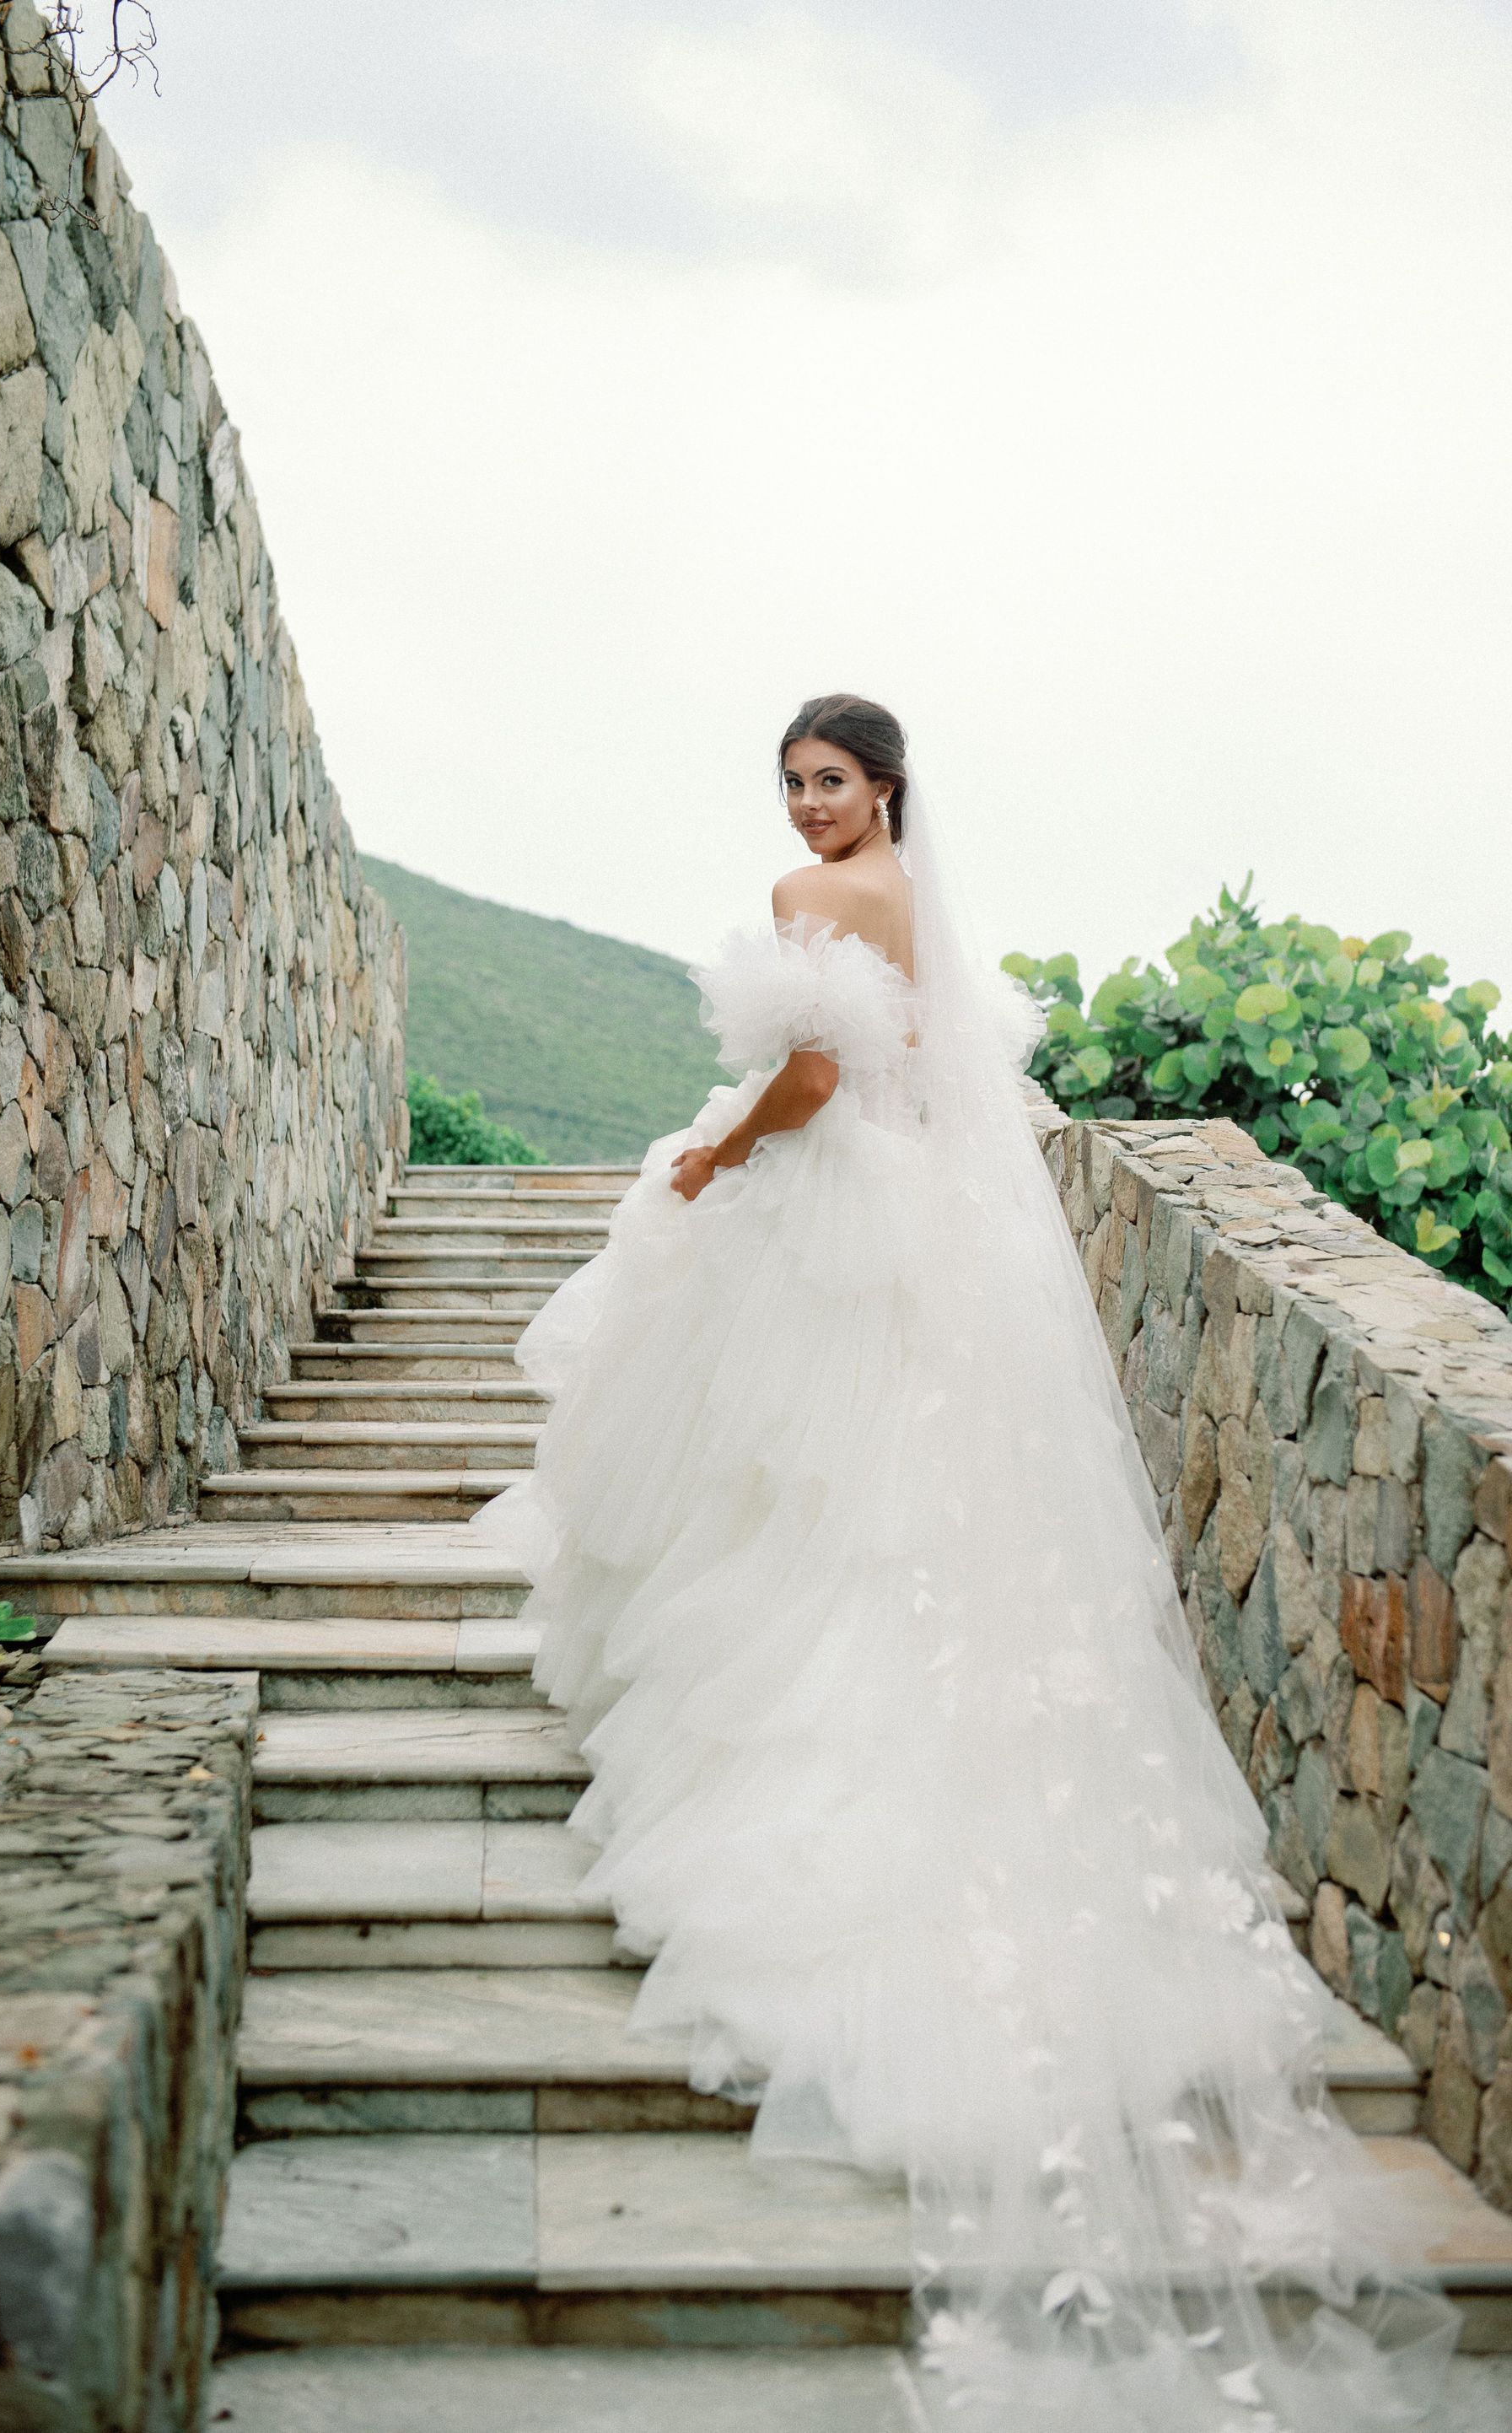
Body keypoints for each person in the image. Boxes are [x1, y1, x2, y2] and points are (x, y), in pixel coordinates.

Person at [482, 695, 1463, 2429]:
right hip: (918, 1217)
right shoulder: (921, 901)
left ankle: (790, 1773)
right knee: (875, 1503)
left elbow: (808, 1082)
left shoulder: (814, 902)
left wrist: (714, 1152)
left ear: (884, 789)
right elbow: (936, 1075)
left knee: (793, 1490)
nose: (807, 807)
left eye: (830, 783)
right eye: (792, 784)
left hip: (824, 1201)